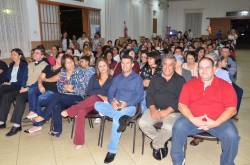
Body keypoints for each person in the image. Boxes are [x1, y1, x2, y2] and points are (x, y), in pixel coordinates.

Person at [171, 57, 239, 165]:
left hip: (218, 121)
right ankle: (178, 162)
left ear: (214, 69)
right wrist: (193, 119)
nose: (204, 70)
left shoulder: (225, 85)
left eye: (207, 67)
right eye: (201, 68)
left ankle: (227, 163)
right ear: (198, 70)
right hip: (193, 119)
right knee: (178, 127)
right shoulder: (189, 85)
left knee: (232, 135)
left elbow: (232, 109)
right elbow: (181, 105)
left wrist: (216, 122)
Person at [94, 55, 144, 163]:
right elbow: (110, 93)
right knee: (97, 104)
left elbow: (140, 96)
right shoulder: (117, 78)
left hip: (130, 107)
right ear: (120, 64)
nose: (124, 65)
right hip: (116, 105)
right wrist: (112, 101)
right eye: (122, 63)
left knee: (117, 119)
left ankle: (112, 151)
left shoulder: (137, 79)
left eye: (127, 63)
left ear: (132, 65)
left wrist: (127, 104)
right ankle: (122, 118)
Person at [139, 55, 185, 160]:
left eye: (170, 65)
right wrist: (152, 109)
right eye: (165, 64)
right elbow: (149, 95)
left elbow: (180, 99)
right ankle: (161, 142)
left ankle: (156, 145)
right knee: (142, 123)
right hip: (155, 108)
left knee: (168, 127)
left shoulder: (180, 80)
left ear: (174, 66)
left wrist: (167, 111)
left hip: (173, 112)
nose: (167, 67)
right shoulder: (155, 78)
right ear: (162, 65)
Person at [61, 58, 112, 148]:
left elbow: (112, 96)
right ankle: (79, 142)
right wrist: (97, 96)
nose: (102, 68)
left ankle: (71, 111)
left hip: (104, 104)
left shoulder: (112, 79)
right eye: (100, 66)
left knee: (94, 97)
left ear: (107, 66)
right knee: (81, 111)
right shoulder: (94, 77)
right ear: (97, 68)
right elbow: (88, 91)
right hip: (91, 102)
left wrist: (100, 96)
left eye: (104, 65)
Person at [42, 54, 95, 137]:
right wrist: (64, 88)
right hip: (64, 97)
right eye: (67, 63)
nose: (70, 64)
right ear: (64, 65)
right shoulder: (63, 72)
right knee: (56, 104)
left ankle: (45, 115)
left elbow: (85, 89)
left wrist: (73, 89)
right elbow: (58, 86)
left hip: (77, 97)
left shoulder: (80, 71)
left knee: (56, 96)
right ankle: (57, 130)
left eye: (71, 61)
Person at [0, 47, 47, 136]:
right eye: (34, 53)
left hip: (35, 89)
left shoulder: (46, 65)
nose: (34, 54)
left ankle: (16, 125)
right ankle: (1, 121)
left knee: (20, 98)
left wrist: (28, 88)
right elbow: (25, 77)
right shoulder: (29, 65)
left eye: (37, 53)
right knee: (7, 96)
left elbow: (41, 80)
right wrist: (23, 86)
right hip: (24, 87)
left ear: (42, 56)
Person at [24, 54, 62, 133]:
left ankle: (38, 124)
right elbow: (40, 77)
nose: (61, 58)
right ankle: (33, 111)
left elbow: (55, 78)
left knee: (40, 98)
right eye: (59, 57)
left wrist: (45, 79)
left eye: (63, 57)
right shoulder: (49, 67)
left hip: (53, 91)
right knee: (31, 90)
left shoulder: (63, 69)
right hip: (43, 88)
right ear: (56, 58)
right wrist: (40, 85)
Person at [0, 49, 28, 129]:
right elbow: (6, 77)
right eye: (11, 54)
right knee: (5, 95)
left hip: (18, 85)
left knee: (1, 89)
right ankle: (2, 121)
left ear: (20, 56)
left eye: (14, 54)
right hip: (10, 85)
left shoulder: (24, 65)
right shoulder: (11, 65)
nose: (12, 56)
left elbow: (23, 79)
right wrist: (4, 82)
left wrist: (10, 83)